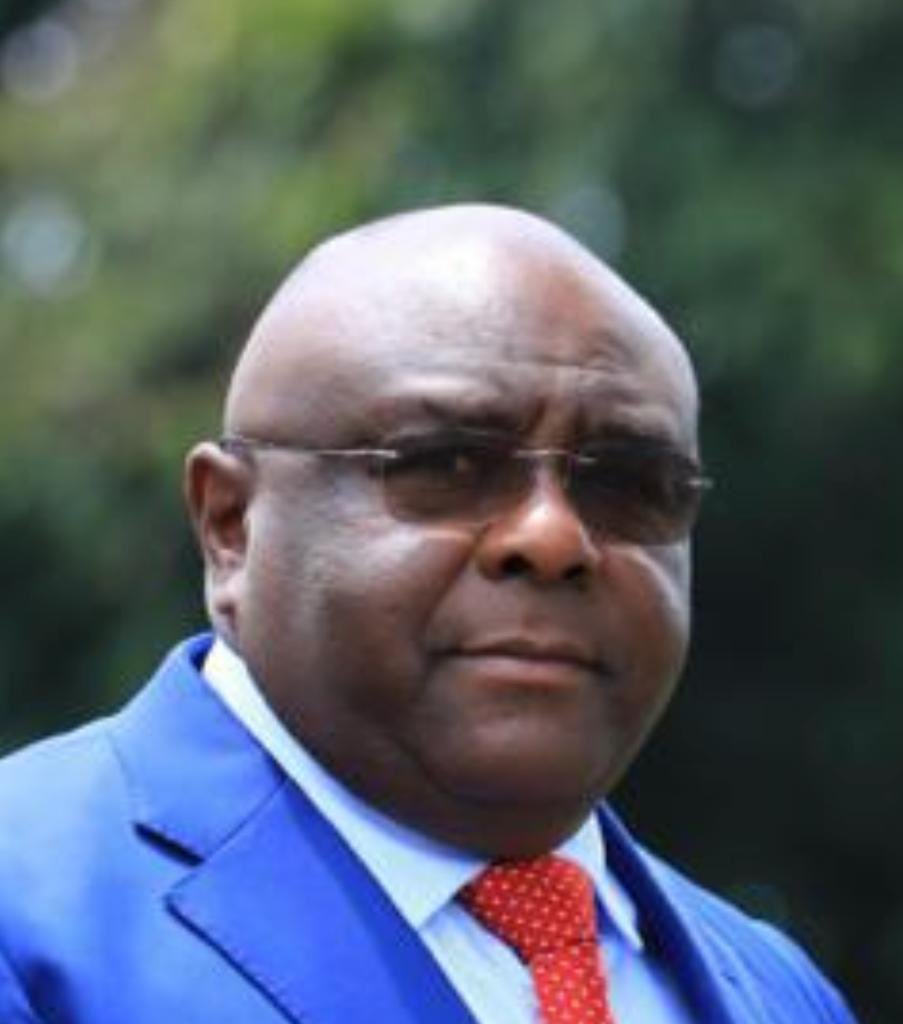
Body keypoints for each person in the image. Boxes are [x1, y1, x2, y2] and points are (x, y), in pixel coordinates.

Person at [0, 204, 857, 1024]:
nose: (552, 536)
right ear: (232, 526)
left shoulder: (780, 994)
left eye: (630, 484)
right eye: (447, 463)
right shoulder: (32, 923)